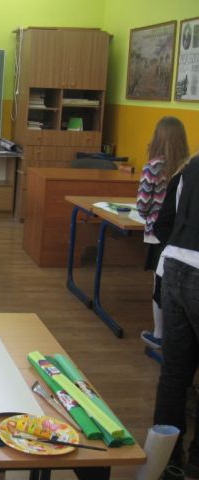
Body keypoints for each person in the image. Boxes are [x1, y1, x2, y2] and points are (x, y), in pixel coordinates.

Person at [152, 153, 199, 477]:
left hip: (175, 268)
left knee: (174, 374)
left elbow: (163, 223)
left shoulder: (191, 167)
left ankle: (166, 461)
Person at [136, 117, 189, 349]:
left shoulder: (153, 167)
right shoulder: (188, 167)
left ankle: (159, 334)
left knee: (159, 282)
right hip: (180, 235)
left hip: (157, 233)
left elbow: (142, 206)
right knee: (173, 282)